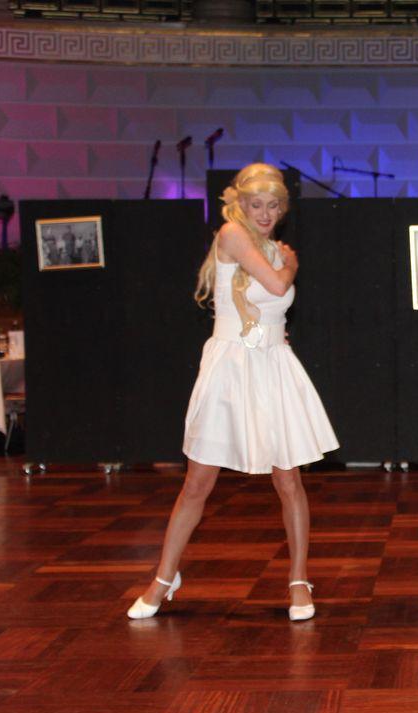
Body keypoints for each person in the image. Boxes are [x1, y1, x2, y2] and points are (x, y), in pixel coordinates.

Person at [127, 163, 340, 622]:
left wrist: (274, 328)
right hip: (229, 369)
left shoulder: (272, 248)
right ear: (240, 204)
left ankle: (299, 580)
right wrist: (293, 263)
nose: (265, 213)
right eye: (256, 204)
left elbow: (273, 306)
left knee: (289, 480)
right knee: (197, 483)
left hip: (272, 366)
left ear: (282, 209)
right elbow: (278, 284)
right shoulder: (233, 235)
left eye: (273, 205)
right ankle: (163, 578)